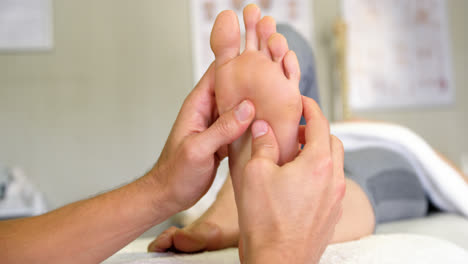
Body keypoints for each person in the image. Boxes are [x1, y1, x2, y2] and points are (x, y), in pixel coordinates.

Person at [0, 7, 345, 263]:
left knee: (284, 41)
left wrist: (162, 187)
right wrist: (279, 251)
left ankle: (228, 217)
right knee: (381, 174)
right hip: (365, 142)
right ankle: (253, 206)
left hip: (336, 136)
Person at [149, 4, 468, 255]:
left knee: (376, 160)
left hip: (368, 147)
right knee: (285, 40)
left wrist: (397, 135)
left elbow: (452, 179)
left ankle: (236, 202)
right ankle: (257, 199)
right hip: (333, 139)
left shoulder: (400, 145)